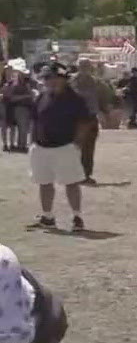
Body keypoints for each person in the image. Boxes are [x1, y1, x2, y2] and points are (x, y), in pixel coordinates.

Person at [27, 65, 89, 232]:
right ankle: (47, 216)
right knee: (44, 183)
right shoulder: (41, 97)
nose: (49, 81)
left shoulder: (75, 99)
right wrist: (33, 140)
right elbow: (35, 120)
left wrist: (76, 144)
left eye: (53, 78)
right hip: (41, 147)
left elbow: (84, 123)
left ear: (63, 78)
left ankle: (77, 217)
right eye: (46, 78)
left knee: (71, 183)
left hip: (65, 147)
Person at [68, 59, 114, 186]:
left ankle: (85, 174)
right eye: (82, 66)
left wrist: (106, 112)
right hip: (75, 119)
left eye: (86, 66)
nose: (84, 68)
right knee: (75, 148)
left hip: (90, 118)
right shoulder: (71, 82)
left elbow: (103, 98)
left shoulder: (96, 83)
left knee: (88, 148)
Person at [2, 67, 35, 152]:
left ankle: (21, 145)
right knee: (17, 128)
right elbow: (10, 97)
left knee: (22, 128)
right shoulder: (11, 84)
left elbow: (31, 96)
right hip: (15, 109)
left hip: (23, 109)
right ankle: (19, 145)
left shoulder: (26, 84)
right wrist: (24, 97)